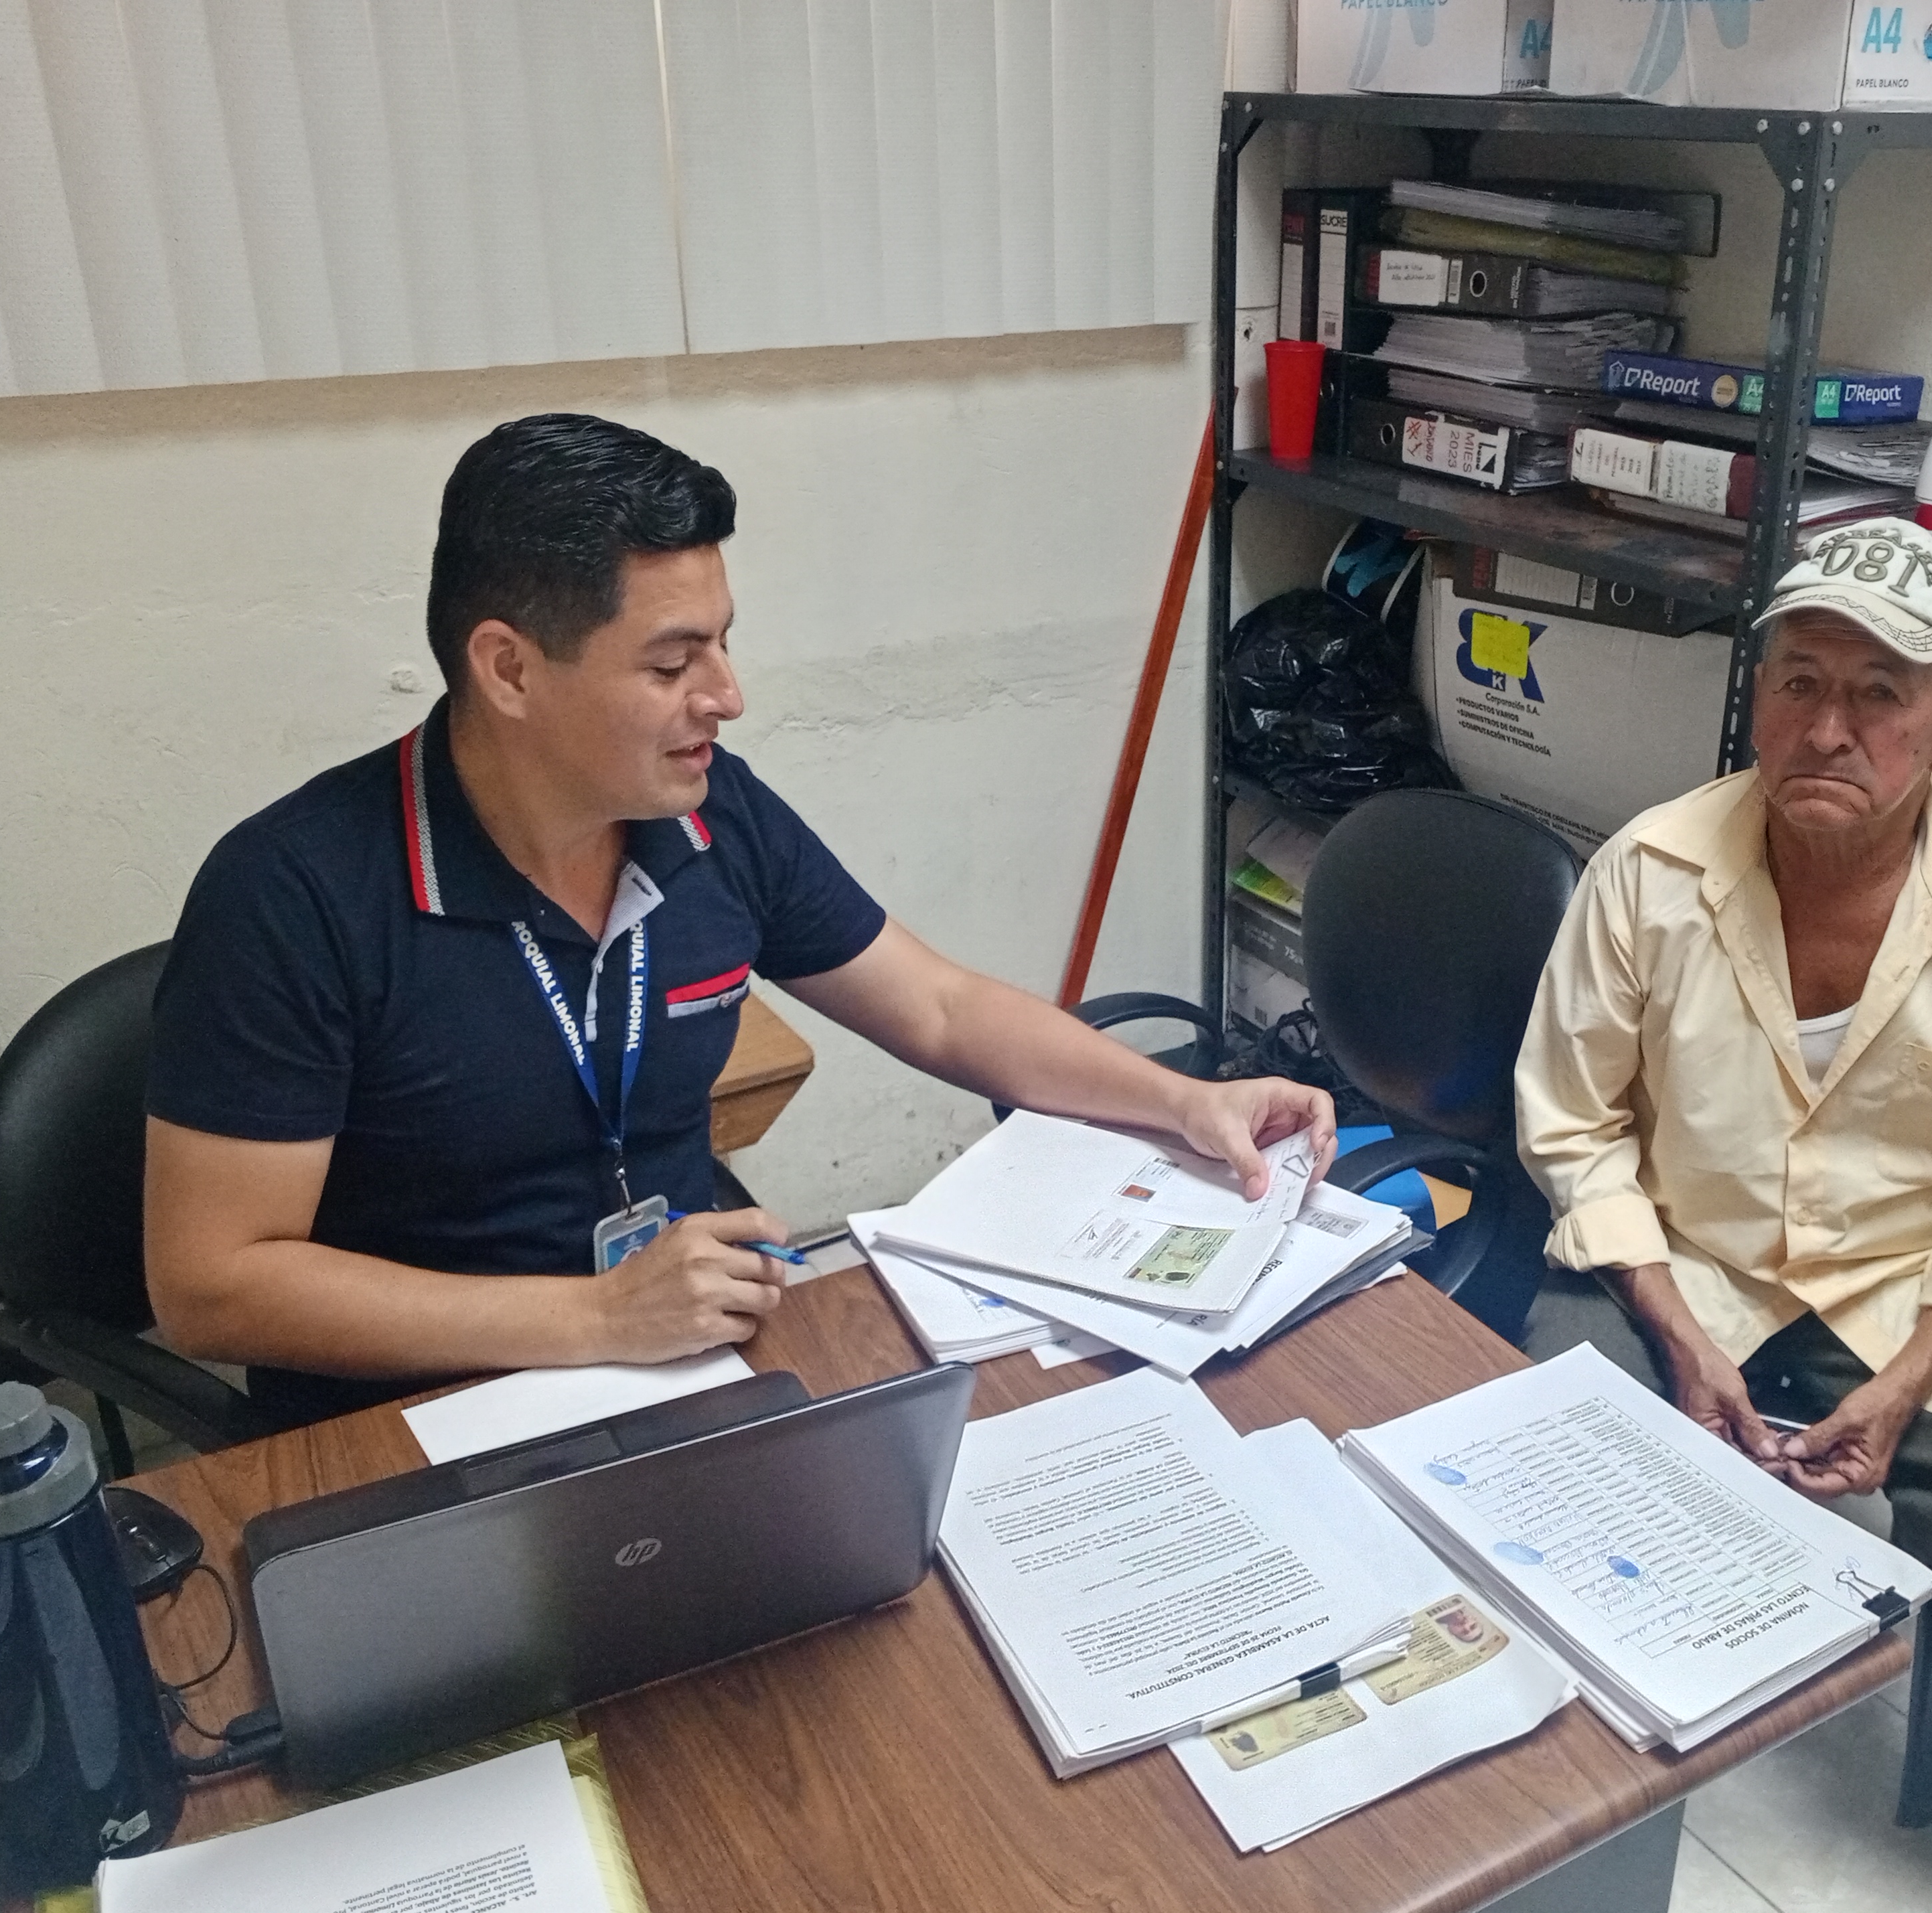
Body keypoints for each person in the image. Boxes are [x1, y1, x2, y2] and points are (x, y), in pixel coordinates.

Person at [145, 414, 1333, 1426]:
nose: (727, 696)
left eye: (722, 643)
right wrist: (594, 1316)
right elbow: (210, 1288)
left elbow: (938, 1006)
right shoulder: (293, 896)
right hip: (418, 1426)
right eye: (672, 665)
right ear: (508, 670)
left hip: (681, 1369)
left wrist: (1182, 1102)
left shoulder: (710, 816)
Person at [1513, 518, 1932, 1913]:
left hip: (1919, 1289)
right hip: (1694, 1263)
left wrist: (1916, 1376)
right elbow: (1573, 1125)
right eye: (1799, 681)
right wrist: (1675, 1331)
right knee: (1547, 1443)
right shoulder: (1650, 870)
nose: (1829, 727)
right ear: (1758, 695)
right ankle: (1559, 1759)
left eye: (1880, 694)